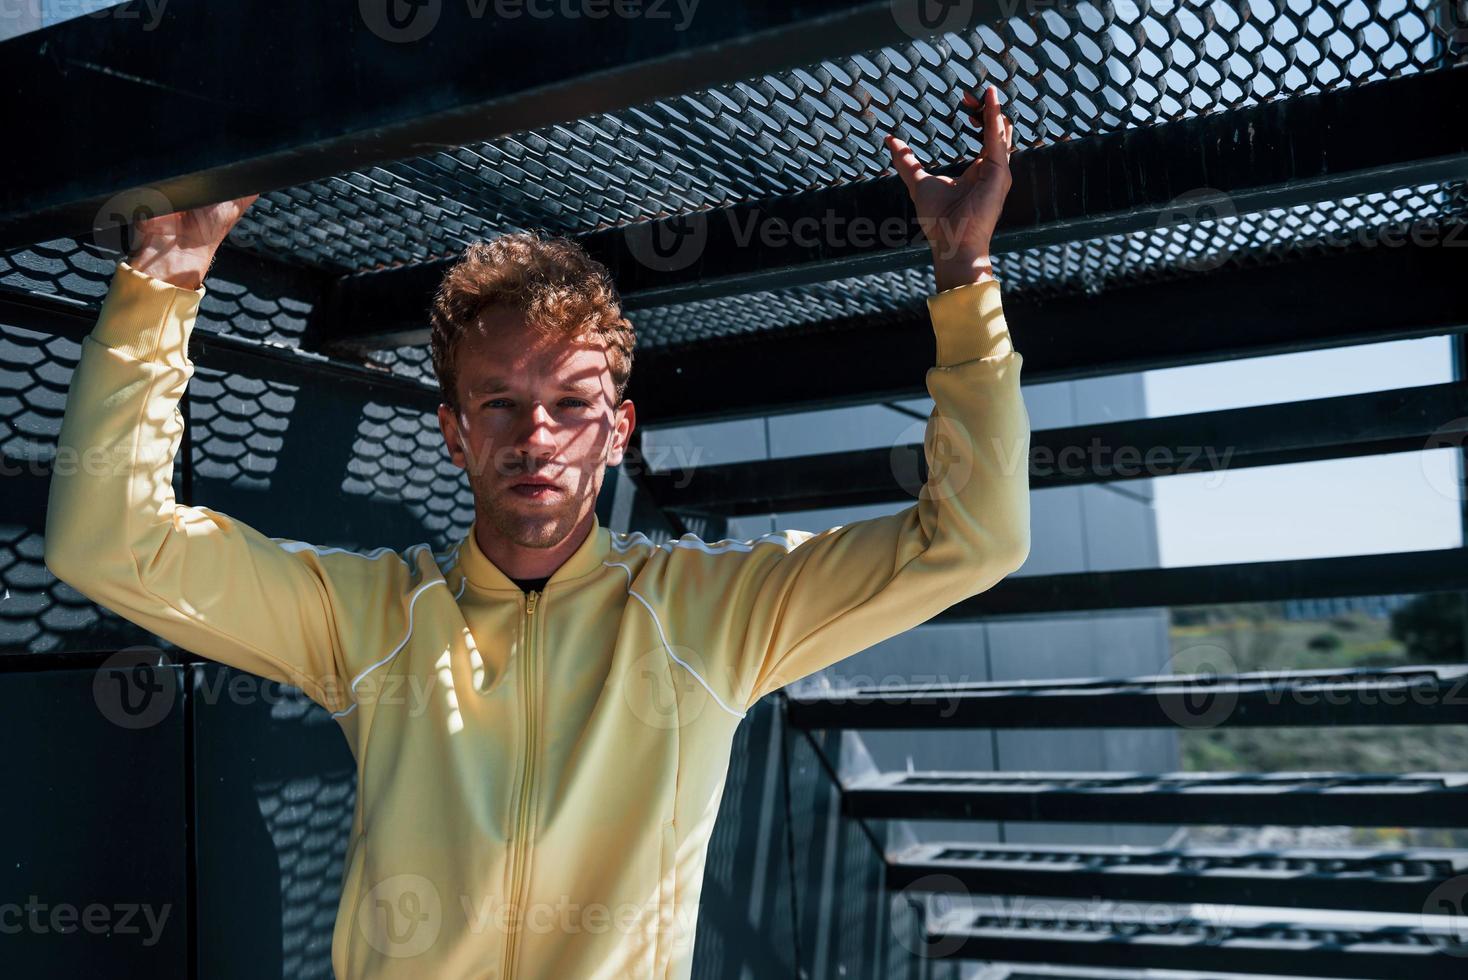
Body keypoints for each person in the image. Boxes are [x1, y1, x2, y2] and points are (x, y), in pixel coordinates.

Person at [45, 85, 1029, 979]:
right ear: (453, 429)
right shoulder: (371, 619)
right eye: (501, 402)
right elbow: (109, 540)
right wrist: (162, 284)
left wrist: (964, 275)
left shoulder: (712, 617)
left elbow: (973, 539)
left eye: (570, 401)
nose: (537, 435)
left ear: (618, 431)